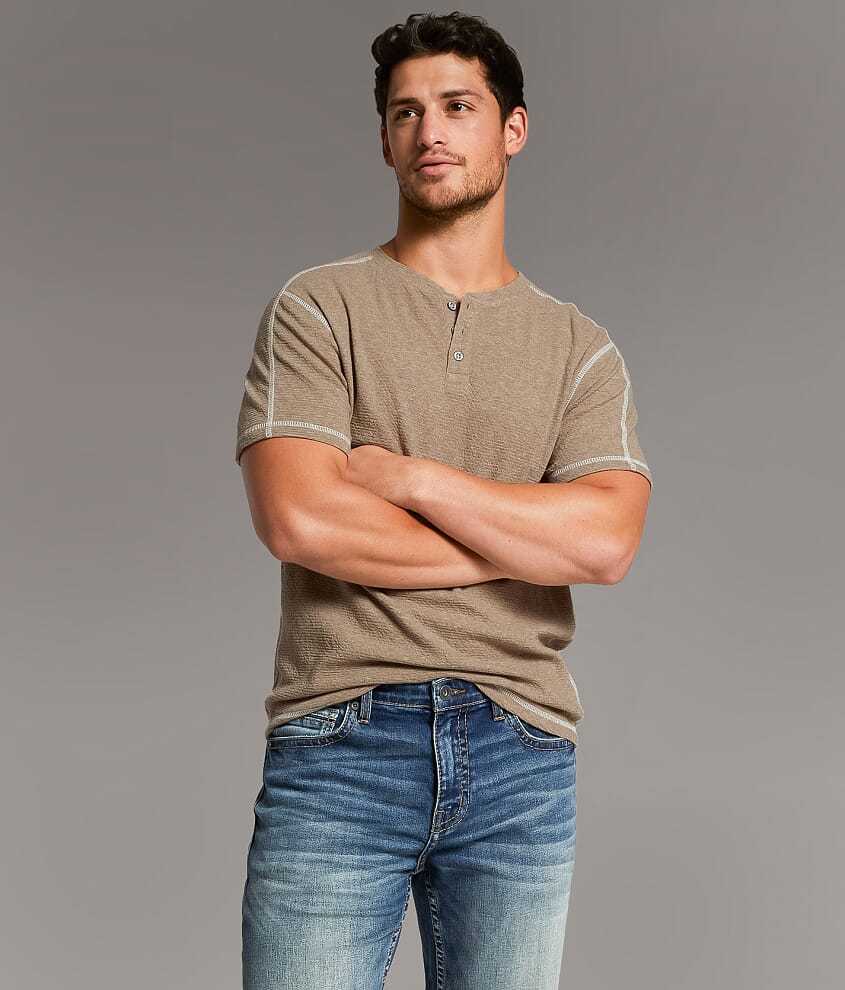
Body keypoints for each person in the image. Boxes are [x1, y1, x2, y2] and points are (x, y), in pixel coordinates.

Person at [235, 11, 652, 990]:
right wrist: (518, 539)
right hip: (340, 740)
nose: (430, 131)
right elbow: (299, 519)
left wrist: (413, 479)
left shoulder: (579, 349)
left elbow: (605, 542)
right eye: (406, 112)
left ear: (512, 128)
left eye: (458, 106)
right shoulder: (318, 307)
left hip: (522, 750)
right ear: (384, 139)